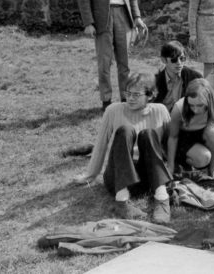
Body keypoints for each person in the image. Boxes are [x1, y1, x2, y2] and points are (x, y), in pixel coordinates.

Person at [73, 72, 172, 224]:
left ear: (150, 95)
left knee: (148, 134)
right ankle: (122, 201)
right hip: (118, 177)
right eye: (128, 93)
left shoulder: (160, 111)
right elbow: (101, 144)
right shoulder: (113, 110)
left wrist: (173, 172)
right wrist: (90, 175)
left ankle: (162, 198)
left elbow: (169, 144)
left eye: (136, 95)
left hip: (147, 178)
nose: (130, 98)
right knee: (125, 130)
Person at [76, 0, 147, 110]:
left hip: (123, 15)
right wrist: (88, 23)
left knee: (125, 62)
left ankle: (125, 98)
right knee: (105, 62)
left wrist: (137, 17)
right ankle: (106, 101)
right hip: (102, 19)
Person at [153, 41, 203, 111]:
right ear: (163, 60)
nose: (179, 63)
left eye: (182, 58)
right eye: (174, 60)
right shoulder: (156, 81)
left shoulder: (195, 77)